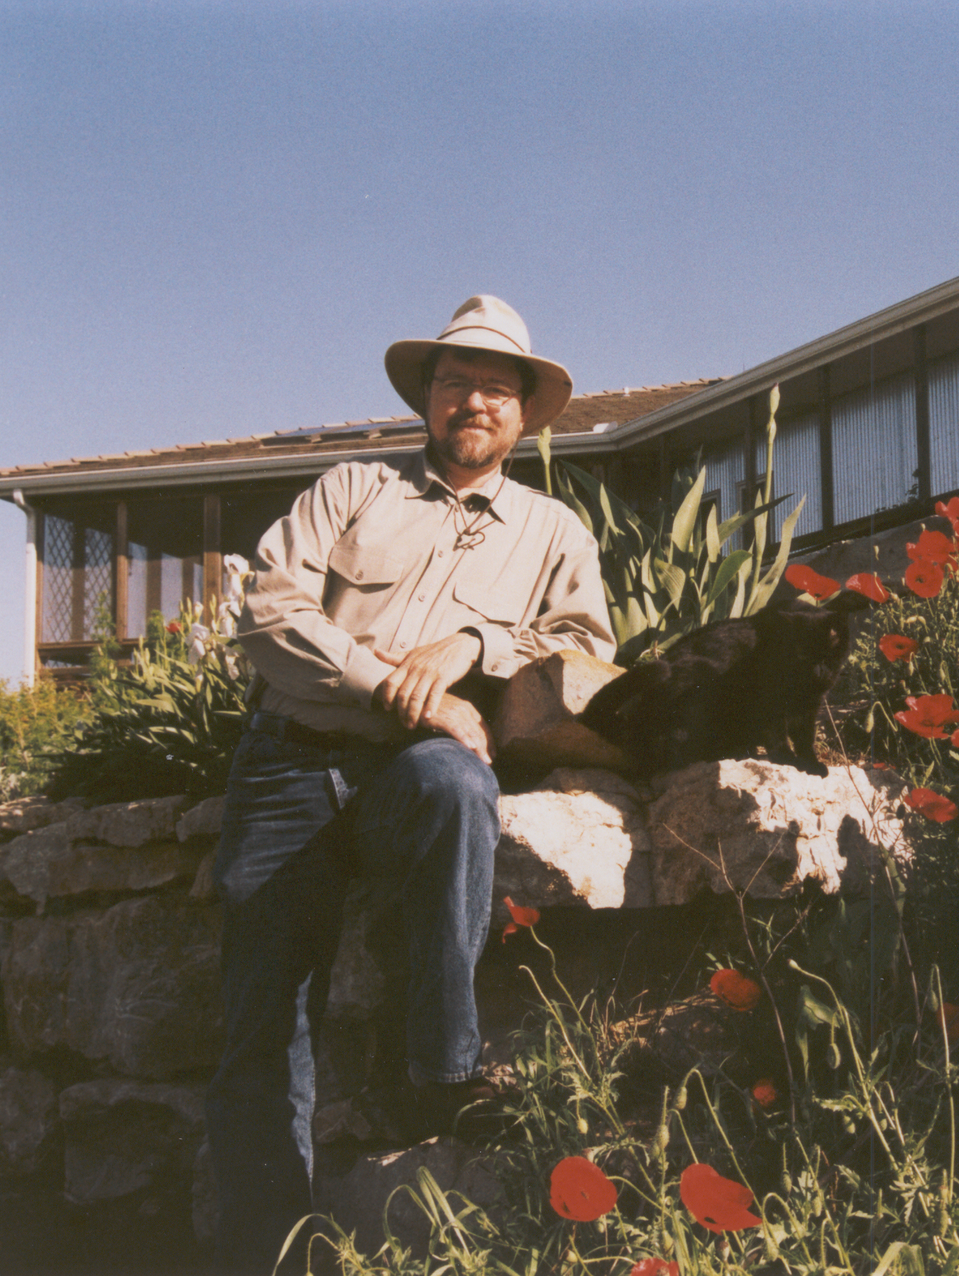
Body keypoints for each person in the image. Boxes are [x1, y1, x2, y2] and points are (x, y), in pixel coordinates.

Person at [204, 296, 615, 1271]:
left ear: (522, 414)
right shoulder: (352, 488)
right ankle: (268, 1252)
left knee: (454, 781)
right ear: (427, 397)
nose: (473, 398)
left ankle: (436, 1071)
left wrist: (478, 641)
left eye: (496, 386)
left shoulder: (554, 532)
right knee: (266, 1017)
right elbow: (265, 611)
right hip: (293, 758)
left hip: (410, 776)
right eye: (454, 379)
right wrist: (392, 682)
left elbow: (587, 655)